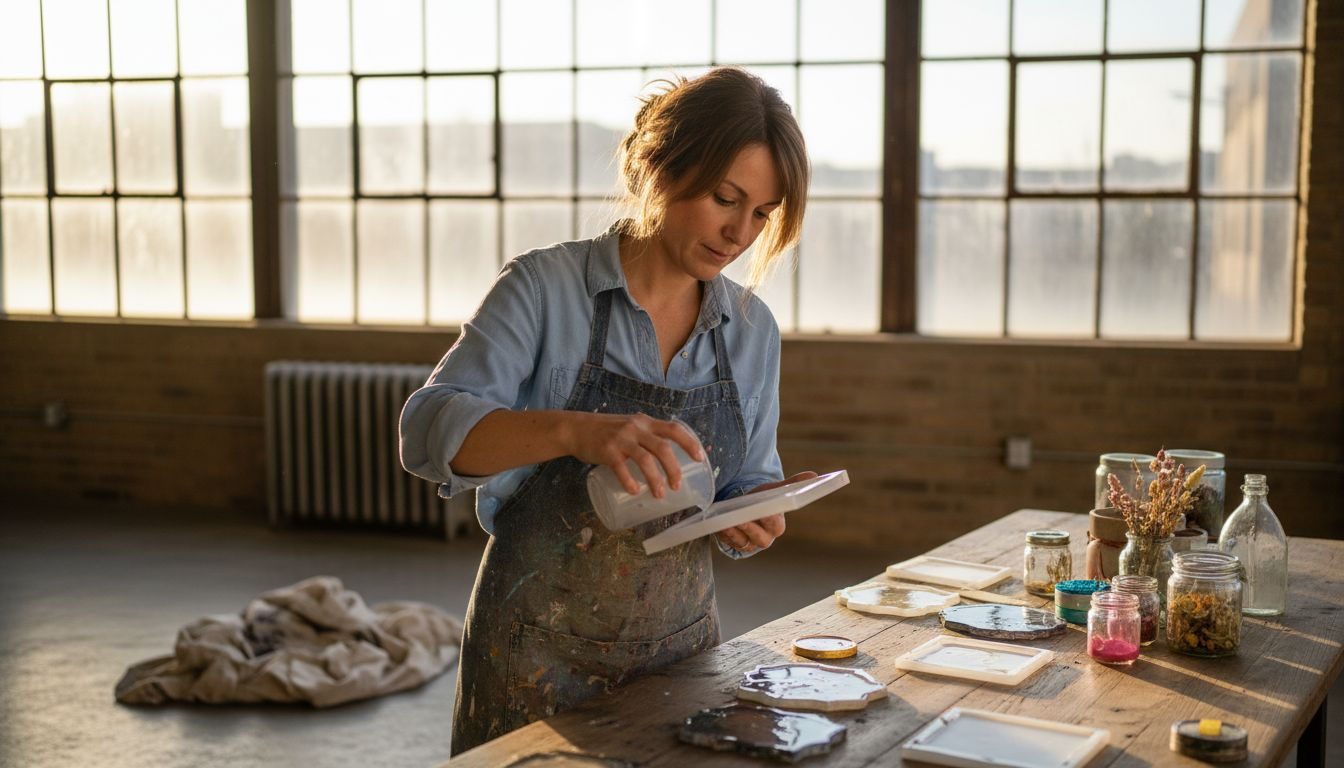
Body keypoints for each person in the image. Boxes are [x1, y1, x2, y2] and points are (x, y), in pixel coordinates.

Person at [399, 66, 814, 754]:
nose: (740, 232)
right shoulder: (543, 287)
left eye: (762, 214)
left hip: (681, 655)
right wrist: (574, 430)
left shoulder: (752, 329)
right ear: (657, 166)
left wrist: (756, 514)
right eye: (724, 198)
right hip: (531, 655)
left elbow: (746, 483)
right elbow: (427, 431)